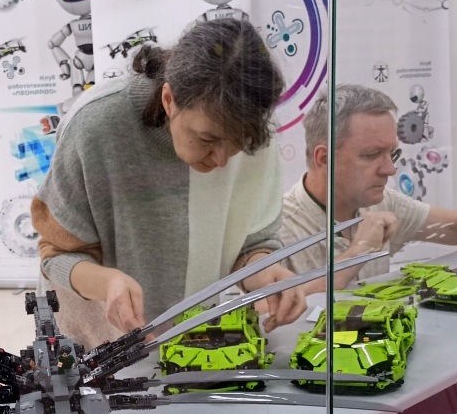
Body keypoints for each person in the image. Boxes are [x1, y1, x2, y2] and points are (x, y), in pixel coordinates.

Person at [32, 18, 307, 349]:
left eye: (239, 141)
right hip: (98, 346)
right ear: (168, 100)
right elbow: (56, 254)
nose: (222, 160)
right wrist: (106, 282)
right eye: (207, 138)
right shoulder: (95, 125)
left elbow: (252, 243)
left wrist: (266, 272)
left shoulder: (254, 134)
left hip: (192, 343)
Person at [279, 84, 457, 291]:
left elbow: (456, 226)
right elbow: (270, 311)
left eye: (392, 154)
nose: (390, 169)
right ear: (324, 158)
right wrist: (359, 251)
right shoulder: (279, 229)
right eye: (372, 155)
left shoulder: (383, 204)